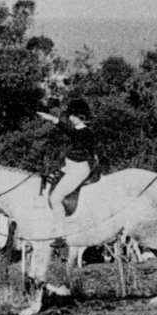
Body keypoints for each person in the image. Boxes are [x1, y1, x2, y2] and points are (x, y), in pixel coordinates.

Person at [37, 99, 96, 234]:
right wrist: (51, 119)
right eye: (70, 115)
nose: (70, 118)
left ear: (80, 116)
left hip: (78, 170)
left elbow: (71, 135)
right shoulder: (79, 131)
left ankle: (61, 233)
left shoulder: (85, 132)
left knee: (55, 198)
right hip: (71, 167)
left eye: (72, 116)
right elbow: (67, 129)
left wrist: (53, 120)